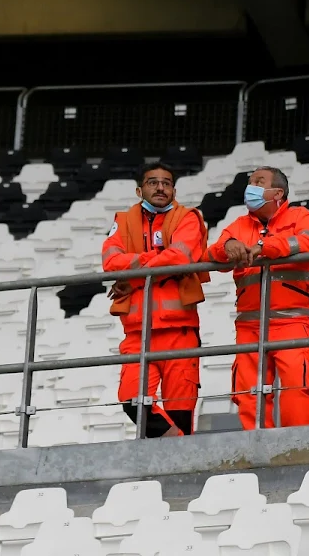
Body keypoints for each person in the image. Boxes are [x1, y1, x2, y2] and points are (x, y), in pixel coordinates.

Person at [209, 166, 309, 429]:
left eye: (258, 182)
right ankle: (257, 450)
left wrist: (264, 247)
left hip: (292, 321)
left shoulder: (303, 216)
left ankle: (299, 448)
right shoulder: (238, 226)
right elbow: (213, 254)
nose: (250, 187)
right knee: (248, 393)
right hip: (249, 325)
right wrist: (227, 247)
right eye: (250, 182)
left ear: (278, 193)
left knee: (298, 388)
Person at [102, 162, 209, 437]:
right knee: (133, 402)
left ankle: (180, 460)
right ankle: (180, 448)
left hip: (180, 331)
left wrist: (134, 275)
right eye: (153, 182)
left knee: (180, 412)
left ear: (173, 189)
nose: (161, 187)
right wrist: (157, 257)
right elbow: (111, 263)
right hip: (137, 334)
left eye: (167, 182)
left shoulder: (188, 217)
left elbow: (180, 258)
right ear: (140, 190)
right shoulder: (123, 221)